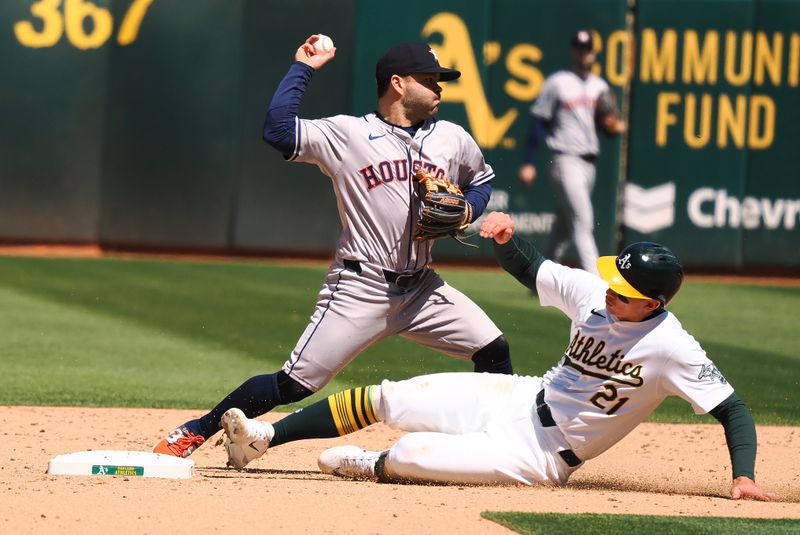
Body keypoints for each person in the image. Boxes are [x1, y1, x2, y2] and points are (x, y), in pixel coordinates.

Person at [216, 211, 774, 501]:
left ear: (652, 303)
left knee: (411, 453)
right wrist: (506, 241)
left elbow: (733, 410)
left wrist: (742, 476)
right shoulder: (594, 295)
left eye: (624, 291)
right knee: (390, 397)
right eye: (612, 280)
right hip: (521, 395)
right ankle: (263, 440)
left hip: (541, 458)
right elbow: (534, 270)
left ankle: (369, 465)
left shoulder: (672, 347)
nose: (609, 291)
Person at [152, 36, 512, 458]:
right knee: (293, 384)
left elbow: (481, 180)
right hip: (361, 287)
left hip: (422, 290)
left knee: (494, 349)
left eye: (439, 80)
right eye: (429, 79)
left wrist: (469, 208)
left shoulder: (451, 137)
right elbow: (279, 131)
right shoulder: (348, 134)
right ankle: (195, 430)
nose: (439, 88)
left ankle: (498, 444)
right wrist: (303, 68)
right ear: (398, 83)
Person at [518, 29, 626, 275]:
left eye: (587, 49)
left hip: (589, 162)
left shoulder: (600, 86)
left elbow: (606, 126)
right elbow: (538, 121)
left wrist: (613, 127)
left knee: (564, 227)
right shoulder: (558, 82)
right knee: (583, 218)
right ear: (573, 51)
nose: (583, 53)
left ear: (594, 53)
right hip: (564, 159)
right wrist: (528, 162)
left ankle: (539, 275)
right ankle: (598, 281)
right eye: (579, 48)